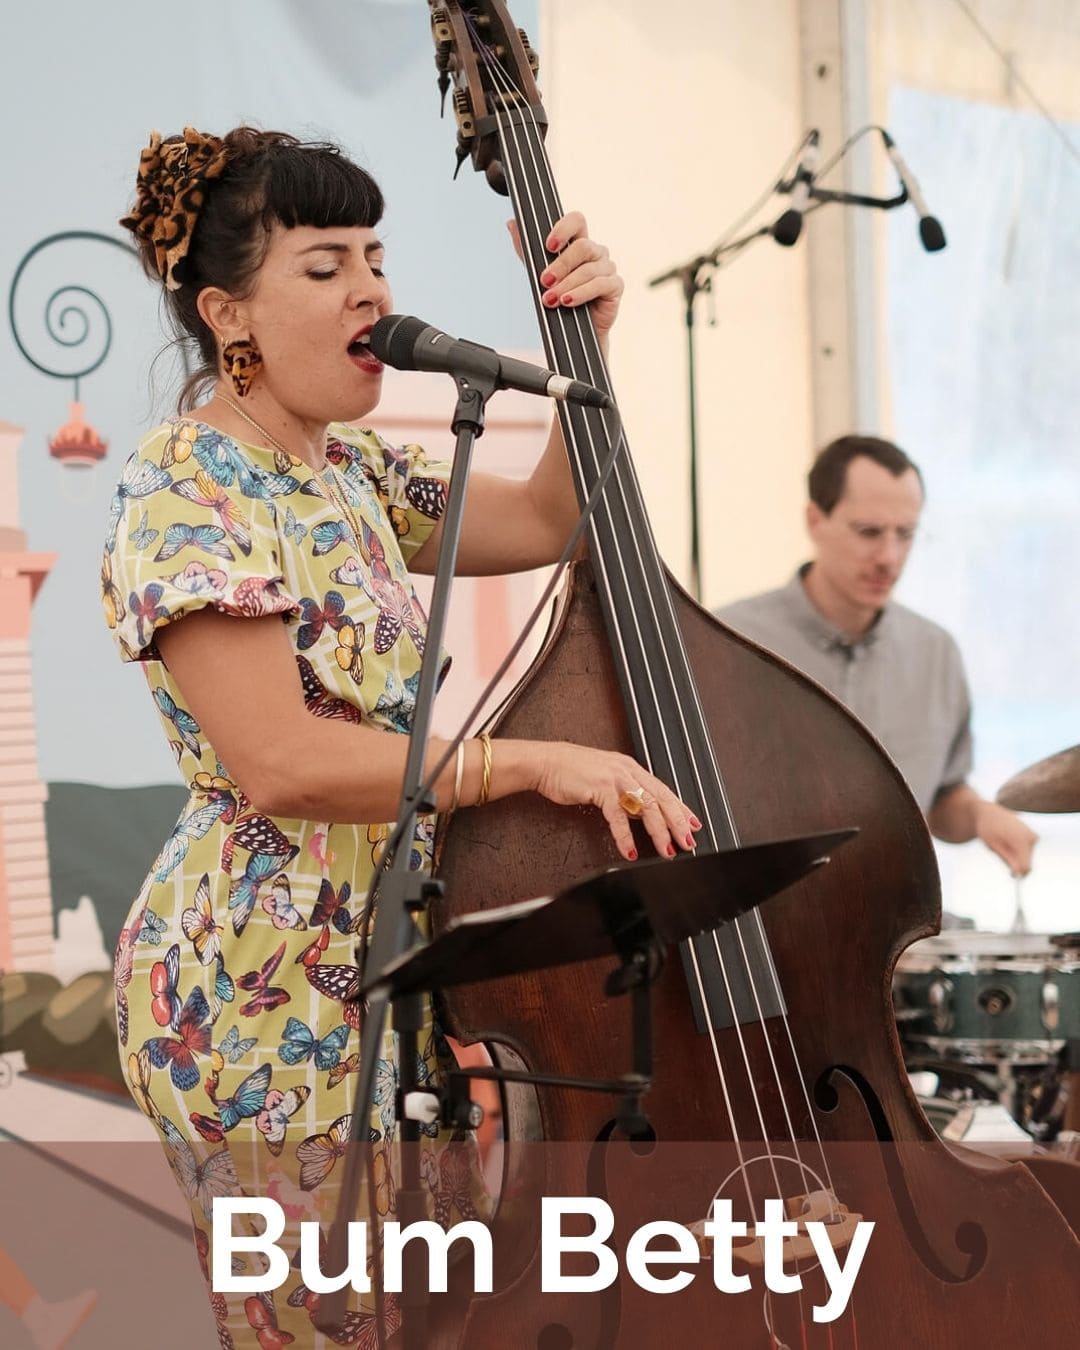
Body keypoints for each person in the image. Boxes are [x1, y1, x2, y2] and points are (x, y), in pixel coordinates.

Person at [103, 126, 700, 1347]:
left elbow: (549, 518)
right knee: (327, 1323)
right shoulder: (188, 484)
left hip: (389, 955)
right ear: (229, 314)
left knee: (424, 1320)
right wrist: (533, 763)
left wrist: (586, 340)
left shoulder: (352, 471)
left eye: (375, 257)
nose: (371, 289)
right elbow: (283, 763)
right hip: (257, 980)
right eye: (325, 266)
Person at [715, 434, 1036, 877]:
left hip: (900, 910)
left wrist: (981, 814)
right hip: (761, 909)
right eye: (869, 532)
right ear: (815, 520)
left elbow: (942, 797)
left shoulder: (936, 652)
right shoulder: (727, 641)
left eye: (905, 534)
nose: (889, 557)